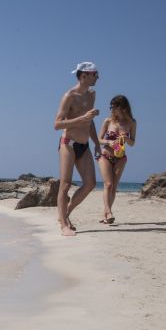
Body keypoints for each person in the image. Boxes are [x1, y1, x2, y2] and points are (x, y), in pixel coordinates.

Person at [53, 62, 101, 236]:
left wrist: (96, 143)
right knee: (65, 185)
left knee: (90, 183)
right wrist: (82, 118)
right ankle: (64, 225)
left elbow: (90, 121)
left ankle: (65, 214)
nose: (98, 77)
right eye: (94, 74)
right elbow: (57, 124)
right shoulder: (69, 96)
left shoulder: (92, 94)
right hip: (69, 144)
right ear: (83, 76)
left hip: (85, 144)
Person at [96, 95, 137, 224]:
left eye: (114, 107)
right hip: (105, 155)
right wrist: (109, 141)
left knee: (113, 187)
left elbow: (132, 143)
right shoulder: (108, 121)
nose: (111, 109)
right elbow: (98, 139)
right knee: (108, 184)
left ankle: (105, 216)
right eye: (111, 106)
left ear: (123, 107)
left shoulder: (131, 122)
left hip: (120, 157)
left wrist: (126, 138)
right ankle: (108, 212)